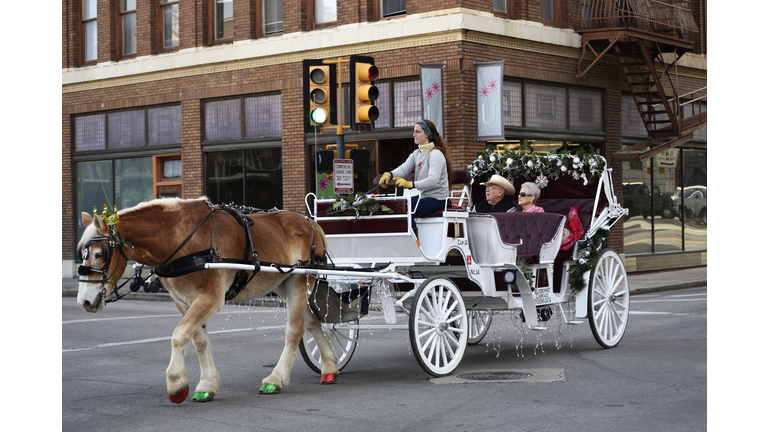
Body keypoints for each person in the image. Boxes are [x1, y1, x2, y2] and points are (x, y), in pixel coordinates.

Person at [378, 119, 454, 232]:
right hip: (423, 198)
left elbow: (433, 180)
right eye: (414, 131)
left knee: (404, 207)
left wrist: (410, 184)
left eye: (417, 132)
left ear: (427, 134)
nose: (414, 135)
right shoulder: (416, 153)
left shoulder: (435, 154)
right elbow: (404, 169)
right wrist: (389, 174)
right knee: (398, 205)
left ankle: (414, 239)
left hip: (438, 199)